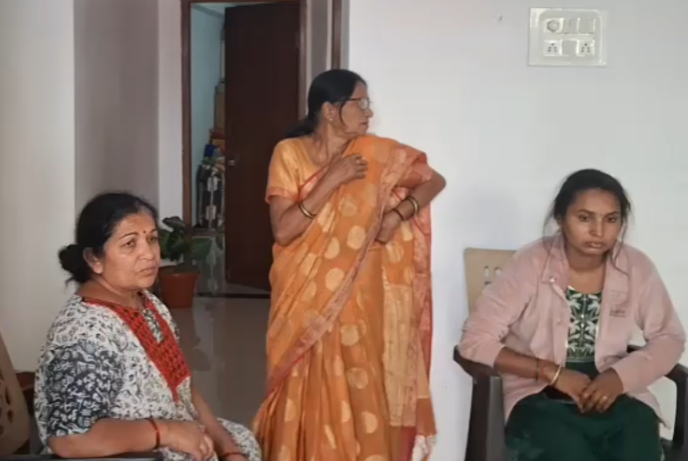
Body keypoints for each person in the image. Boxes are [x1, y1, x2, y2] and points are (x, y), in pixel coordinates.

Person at [253, 69, 446, 461]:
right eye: (361, 103)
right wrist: (333, 179)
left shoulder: (374, 154)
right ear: (330, 110)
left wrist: (396, 216)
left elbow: (434, 180)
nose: (369, 113)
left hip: (362, 295)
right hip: (305, 299)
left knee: (360, 384)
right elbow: (284, 231)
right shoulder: (289, 153)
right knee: (304, 381)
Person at [458, 169, 685, 461]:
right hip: (539, 398)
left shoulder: (635, 267)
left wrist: (618, 378)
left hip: (613, 394)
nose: (599, 231)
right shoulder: (531, 263)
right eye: (585, 218)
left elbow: (669, 337)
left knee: (638, 440)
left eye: (611, 219)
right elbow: (475, 340)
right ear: (561, 218)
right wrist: (552, 373)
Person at [35, 192, 262, 461]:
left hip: (182, 435)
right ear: (95, 259)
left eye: (152, 239)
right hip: (134, 455)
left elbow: (183, 388)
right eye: (130, 244)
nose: (150, 254)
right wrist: (166, 431)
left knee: (243, 443)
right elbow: (70, 439)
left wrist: (227, 448)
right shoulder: (85, 335)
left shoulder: (148, 303)